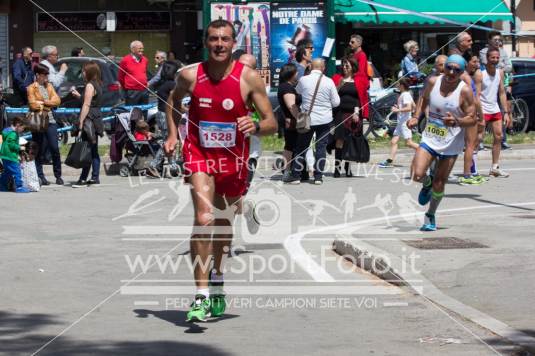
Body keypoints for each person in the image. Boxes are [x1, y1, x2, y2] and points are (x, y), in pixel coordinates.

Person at [163, 19, 277, 322]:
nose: (219, 44)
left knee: (224, 223)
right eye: (214, 39)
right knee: (204, 217)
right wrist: (173, 134)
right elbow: (172, 102)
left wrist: (255, 124)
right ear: (206, 41)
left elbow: (271, 123)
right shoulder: (189, 75)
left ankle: (216, 278)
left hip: (233, 159)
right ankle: (200, 295)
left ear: (232, 43)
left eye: (225, 39)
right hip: (199, 154)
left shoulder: (249, 79)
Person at [407, 54, 476, 231]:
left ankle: (430, 215)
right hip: (430, 137)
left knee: (440, 181)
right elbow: (424, 98)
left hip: (451, 142)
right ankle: (426, 183)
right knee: (417, 173)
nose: (451, 72)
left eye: (457, 70)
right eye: (449, 68)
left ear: (462, 72)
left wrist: (457, 121)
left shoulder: (465, 90)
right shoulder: (433, 82)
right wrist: (416, 116)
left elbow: (473, 118)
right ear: (443, 68)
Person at [284, 58, 340, 185]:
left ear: (310, 67)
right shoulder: (329, 81)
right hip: (324, 120)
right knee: (321, 148)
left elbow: (297, 92)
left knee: (301, 147)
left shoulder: (304, 80)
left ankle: (296, 176)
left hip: (307, 119)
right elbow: (336, 102)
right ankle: (318, 177)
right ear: (323, 68)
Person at [27, 63, 62, 186]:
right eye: (44, 75)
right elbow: (33, 104)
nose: (46, 77)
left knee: (54, 148)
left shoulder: (49, 86)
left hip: (51, 121)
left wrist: (44, 101)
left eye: (47, 75)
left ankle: (58, 175)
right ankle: (40, 176)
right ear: (37, 75)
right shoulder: (31, 88)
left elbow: (57, 100)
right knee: (39, 149)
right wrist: (48, 103)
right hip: (38, 121)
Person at [479, 31, 514, 151]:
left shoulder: (504, 52)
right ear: (489, 41)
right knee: (482, 120)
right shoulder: (484, 51)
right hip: (487, 88)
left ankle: (502, 140)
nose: (498, 42)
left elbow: (509, 66)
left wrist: (501, 67)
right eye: (495, 39)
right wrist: (501, 65)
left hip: (500, 84)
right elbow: (486, 63)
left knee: (503, 114)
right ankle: (480, 142)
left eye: (500, 40)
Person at [71, 61, 104, 188]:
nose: (83, 73)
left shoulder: (90, 85)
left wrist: (80, 122)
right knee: (93, 149)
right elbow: (91, 101)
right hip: (96, 118)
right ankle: (94, 177)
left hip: (89, 119)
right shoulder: (98, 84)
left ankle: (84, 179)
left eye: (84, 71)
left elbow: (87, 104)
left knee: (87, 149)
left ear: (89, 72)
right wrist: (80, 96)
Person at [147, 60, 181, 178]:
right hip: (168, 115)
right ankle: (153, 165)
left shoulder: (162, 84)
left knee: (167, 140)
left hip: (161, 114)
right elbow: (175, 101)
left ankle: (173, 166)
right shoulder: (172, 85)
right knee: (169, 141)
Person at [480, 48, 511, 178]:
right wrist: (478, 111)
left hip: (495, 109)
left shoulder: (500, 73)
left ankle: (495, 167)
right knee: (478, 139)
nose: (495, 60)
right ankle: (471, 169)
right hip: (482, 108)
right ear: (487, 58)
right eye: (493, 57)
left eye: (497, 58)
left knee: (498, 137)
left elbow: (502, 93)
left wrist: (506, 112)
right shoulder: (480, 74)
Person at [458, 51, 487, 185]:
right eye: (474, 61)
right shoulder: (467, 78)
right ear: (466, 63)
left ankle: (472, 171)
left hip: (461, 112)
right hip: (468, 113)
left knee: (470, 144)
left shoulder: (459, 75)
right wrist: (481, 116)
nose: (477, 64)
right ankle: (467, 174)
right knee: (471, 144)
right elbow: (475, 99)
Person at [378, 78, 418, 168]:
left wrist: (398, 109)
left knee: (409, 143)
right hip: (401, 123)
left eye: (398, 84)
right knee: (394, 141)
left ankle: (425, 153)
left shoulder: (405, 95)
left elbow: (409, 108)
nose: (397, 86)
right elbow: (414, 106)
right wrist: (399, 107)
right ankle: (389, 161)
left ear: (402, 85)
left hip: (404, 123)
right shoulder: (405, 94)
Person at [332, 56, 360, 177]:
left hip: (352, 114)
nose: (344, 67)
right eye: (343, 65)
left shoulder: (358, 80)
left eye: (347, 65)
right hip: (340, 113)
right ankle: (337, 169)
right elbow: (333, 95)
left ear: (353, 67)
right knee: (339, 140)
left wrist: (357, 112)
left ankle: (348, 169)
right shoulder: (338, 79)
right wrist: (339, 85)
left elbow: (359, 98)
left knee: (350, 141)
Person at [277, 63, 300, 177]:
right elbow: (292, 106)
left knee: (290, 145)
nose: (298, 74)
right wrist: (300, 119)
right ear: (291, 74)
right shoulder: (287, 88)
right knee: (291, 146)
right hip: (292, 121)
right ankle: (287, 171)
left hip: (290, 121)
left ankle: (288, 170)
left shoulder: (285, 86)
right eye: (296, 72)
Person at [0, 116, 31, 193]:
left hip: (5, 155)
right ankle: (19, 187)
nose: (22, 131)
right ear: (18, 125)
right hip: (10, 156)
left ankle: (1, 186)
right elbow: (11, 144)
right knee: (17, 171)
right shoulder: (13, 134)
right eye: (22, 128)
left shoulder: (8, 132)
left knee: (7, 172)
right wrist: (20, 147)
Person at [118, 40, 149, 105]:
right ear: (133, 49)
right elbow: (120, 77)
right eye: (140, 48)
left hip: (144, 90)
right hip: (132, 91)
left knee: (144, 111)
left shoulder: (145, 59)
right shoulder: (125, 60)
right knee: (132, 112)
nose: (142, 50)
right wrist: (126, 88)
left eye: (142, 48)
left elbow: (144, 73)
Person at [348, 34, 370, 121]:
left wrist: (350, 78)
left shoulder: (362, 55)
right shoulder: (354, 54)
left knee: (358, 102)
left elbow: (360, 71)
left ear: (359, 43)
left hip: (359, 82)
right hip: (356, 80)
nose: (350, 43)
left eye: (352, 42)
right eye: (350, 42)